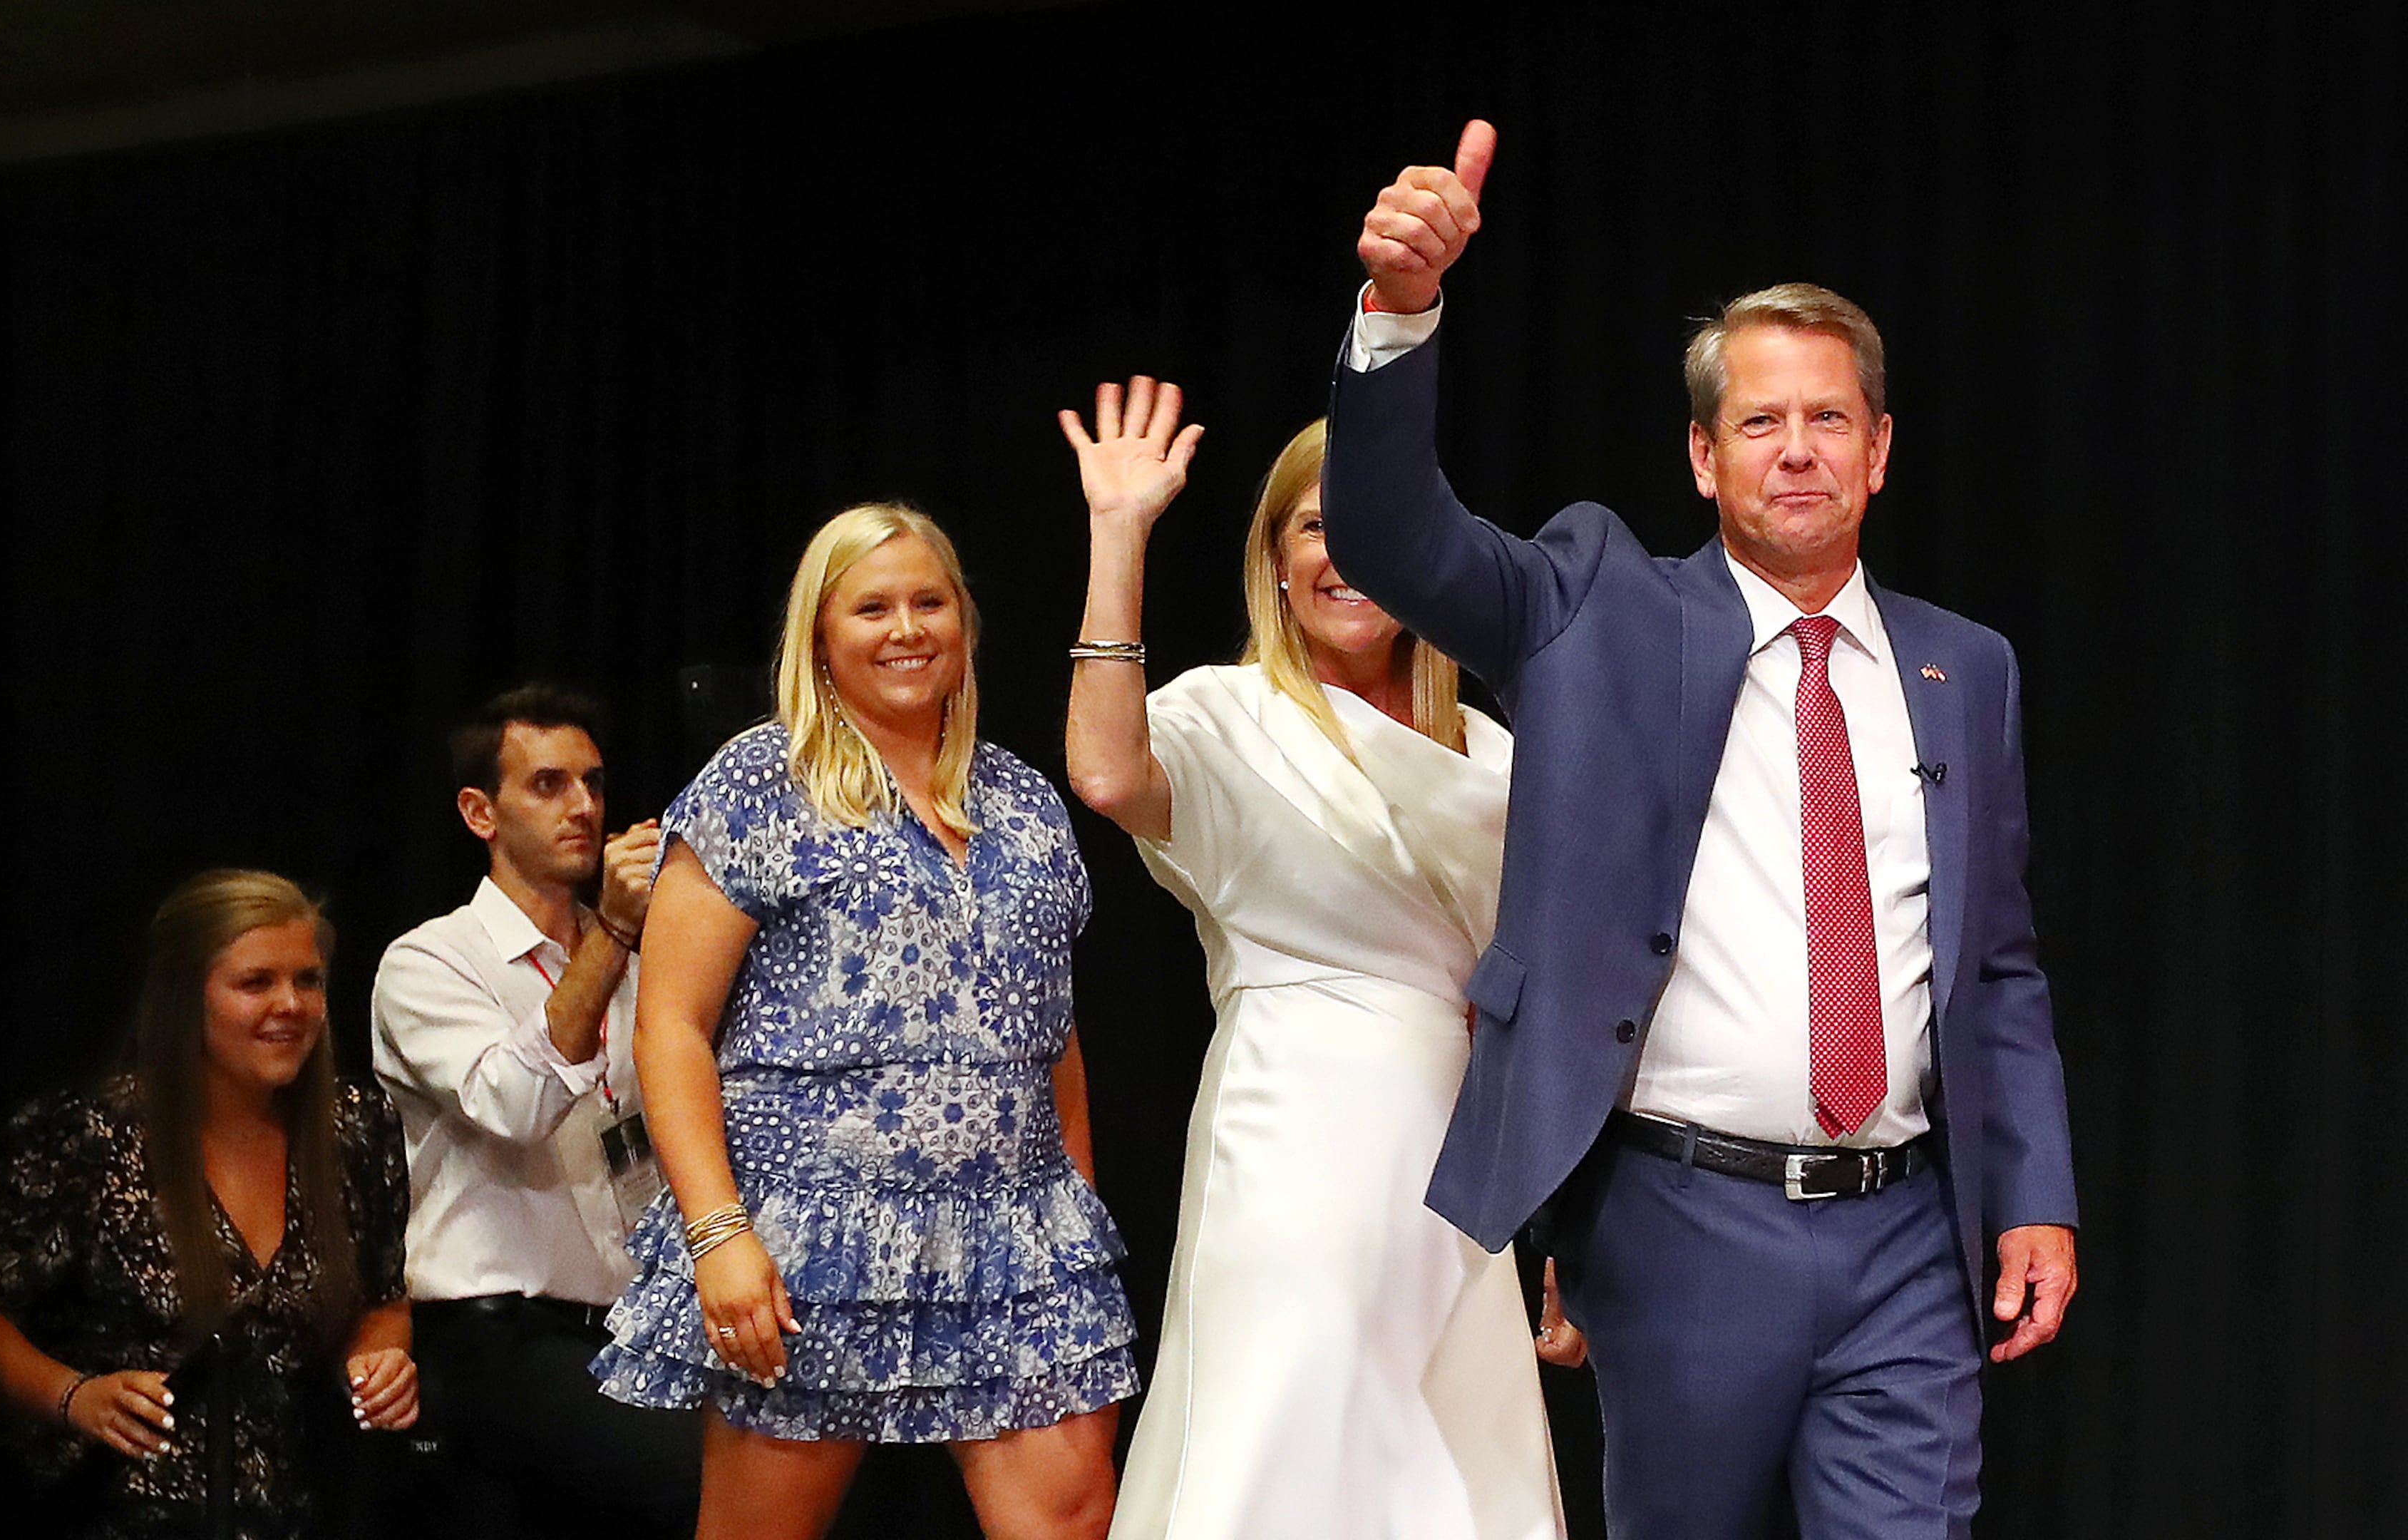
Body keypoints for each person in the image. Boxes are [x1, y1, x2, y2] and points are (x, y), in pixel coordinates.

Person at [1322, 121, 2079, 1538]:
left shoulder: (1962, 668)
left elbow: (2003, 963)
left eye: (1828, 419)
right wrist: (1399, 314)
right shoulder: (1595, 603)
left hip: (1912, 1231)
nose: (1796, 451)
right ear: (1702, 455)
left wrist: (2034, 1187)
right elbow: (1393, 540)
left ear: (1880, 448)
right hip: (1682, 1222)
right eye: (1759, 422)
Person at [1060, 379, 1572, 1540]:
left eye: (1371, 524)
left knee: (1453, 1482)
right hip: (1294, 1154)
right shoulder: (1226, 719)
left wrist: (1564, 1230)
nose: (1344, 555)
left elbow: (1541, 1007)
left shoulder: (1492, 757)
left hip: (1457, 1176)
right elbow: (1103, 771)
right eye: (1312, 525)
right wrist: (1119, 535)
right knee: (1282, 1450)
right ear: (1275, 560)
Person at [592, 503, 1137, 1540]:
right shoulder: (759, 782)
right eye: (872, 607)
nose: (906, 629)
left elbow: (1052, 1039)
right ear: (821, 637)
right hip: (809, 1236)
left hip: (1016, 1236)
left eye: (929, 602)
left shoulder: (1023, 799)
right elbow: (668, 1026)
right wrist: (718, 1236)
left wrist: (1074, 1220)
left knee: (1069, 1520)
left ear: (965, 626)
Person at [0, 869, 416, 1539]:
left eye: (308, 980)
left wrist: (379, 1363)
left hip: (282, 1514)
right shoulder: (89, 1136)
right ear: (187, 998)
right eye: (256, 982)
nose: (292, 1005)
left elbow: (382, 1296)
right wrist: (72, 1396)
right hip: (103, 1507)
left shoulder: (354, 1127)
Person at [369, 683, 701, 1539]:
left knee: (792, 1450)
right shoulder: (429, 960)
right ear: (480, 813)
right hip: (492, 1336)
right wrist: (616, 939)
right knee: (704, 1478)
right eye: (548, 785)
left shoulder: (645, 952)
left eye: (592, 783)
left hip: (625, 1330)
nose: (584, 807)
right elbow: (514, 1105)